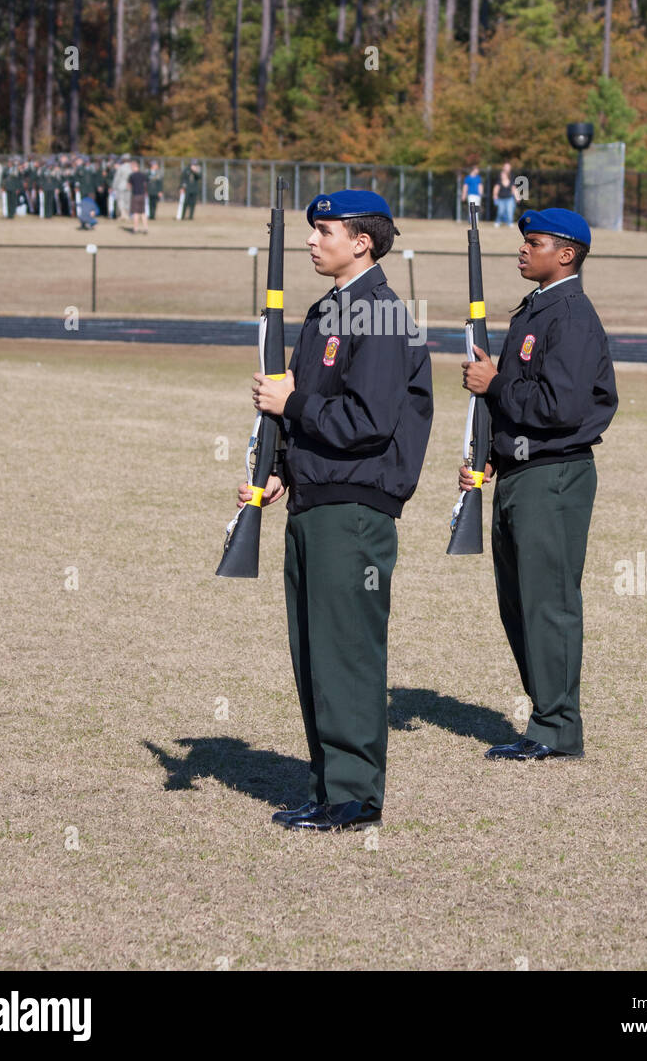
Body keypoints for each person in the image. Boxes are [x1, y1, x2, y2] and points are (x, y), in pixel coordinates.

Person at [239, 190, 433, 833]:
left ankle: (352, 795)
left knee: (345, 649)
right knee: (314, 651)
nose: (311, 240)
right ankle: (330, 787)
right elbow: (316, 414)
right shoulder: (332, 309)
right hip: (317, 498)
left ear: (363, 242)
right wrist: (278, 473)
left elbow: (368, 422)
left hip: (353, 507)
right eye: (311, 229)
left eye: (325, 230)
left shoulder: (381, 315)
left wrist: (288, 405)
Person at [459, 207, 618, 762]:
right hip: (523, 473)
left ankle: (556, 728)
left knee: (547, 602)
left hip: (553, 476)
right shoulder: (538, 309)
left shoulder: (569, 315)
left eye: (535, 242)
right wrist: (491, 456)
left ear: (566, 254)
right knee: (520, 603)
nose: (523, 250)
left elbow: (559, 406)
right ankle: (545, 715)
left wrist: (494, 383)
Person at [492, 161, 518, 227]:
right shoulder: (499, 182)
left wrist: (517, 197)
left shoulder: (511, 180)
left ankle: (510, 223)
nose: (502, 176)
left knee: (510, 211)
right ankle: (498, 222)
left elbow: (514, 189)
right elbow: (496, 189)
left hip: (509, 199)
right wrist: (495, 197)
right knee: (500, 212)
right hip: (501, 199)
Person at [128, 159, 149, 234]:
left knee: (136, 213)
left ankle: (135, 229)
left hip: (135, 195)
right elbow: (146, 184)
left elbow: (129, 186)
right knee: (143, 212)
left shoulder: (132, 176)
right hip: (142, 195)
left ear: (134, 167)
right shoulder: (143, 175)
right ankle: (146, 228)